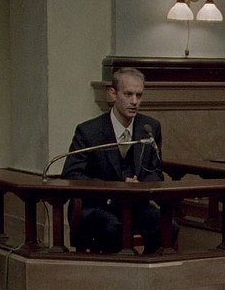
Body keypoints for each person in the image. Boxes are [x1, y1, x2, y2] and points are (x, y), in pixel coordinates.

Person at [62, 67, 175, 254]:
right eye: (128, 94)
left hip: (135, 205)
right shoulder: (89, 131)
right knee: (113, 229)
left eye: (139, 95)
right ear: (113, 94)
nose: (134, 101)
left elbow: (155, 172)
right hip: (98, 206)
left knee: (168, 227)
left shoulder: (150, 128)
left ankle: (146, 266)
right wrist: (116, 188)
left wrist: (139, 186)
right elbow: (71, 175)